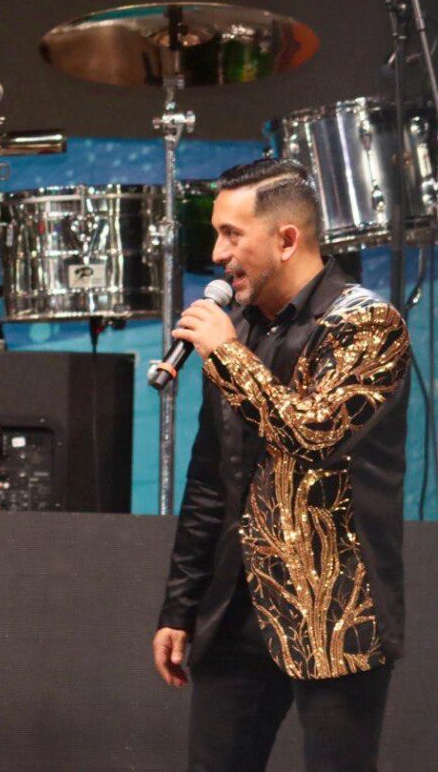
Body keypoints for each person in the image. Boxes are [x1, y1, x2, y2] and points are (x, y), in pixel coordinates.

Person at [152, 158, 412, 772]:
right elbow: (210, 481)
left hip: (335, 612)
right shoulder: (238, 331)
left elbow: (314, 434)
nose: (217, 255)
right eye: (216, 234)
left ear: (286, 239)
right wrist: (180, 607)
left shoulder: (366, 325)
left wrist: (227, 355)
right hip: (234, 609)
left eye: (231, 235)